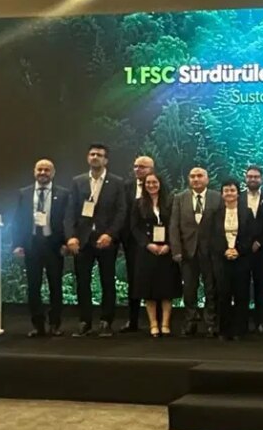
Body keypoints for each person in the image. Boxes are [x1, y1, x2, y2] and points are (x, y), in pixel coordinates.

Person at [64, 143, 127, 337]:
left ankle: (106, 322)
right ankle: (85, 321)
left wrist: (110, 234)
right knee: (82, 282)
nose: (95, 157)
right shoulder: (78, 181)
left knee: (107, 281)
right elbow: (70, 211)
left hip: (106, 239)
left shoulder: (117, 182)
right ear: (87, 158)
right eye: (92, 154)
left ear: (106, 160)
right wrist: (71, 237)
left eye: (99, 155)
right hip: (83, 240)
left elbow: (121, 211)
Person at [12, 159, 70, 337]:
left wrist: (66, 243)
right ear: (34, 171)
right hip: (32, 245)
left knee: (55, 286)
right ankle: (38, 325)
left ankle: (55, 324)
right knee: (33, 286)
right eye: (40, 169)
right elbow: (18, 220)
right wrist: (17, 244)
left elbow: (67, 220)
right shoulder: (24, 193)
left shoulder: (63, 194)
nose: (43, 173)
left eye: (47, 170)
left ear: (53, 173)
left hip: (54, 245)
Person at [171, 167, 223, 337]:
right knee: (189, 289)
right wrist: (176, 250)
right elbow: (174, 226)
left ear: (207, 179)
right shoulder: (179, 198)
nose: (196, 179)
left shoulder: (217, 197)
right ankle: (190, 321)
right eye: (192, 176)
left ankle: (211, 323)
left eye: (199, 176)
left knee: (211, 289)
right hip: (188, 252)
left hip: (210, 252)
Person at [129, 171, 181, 337]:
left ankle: (165, 324)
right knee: (148, 289)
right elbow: (134, 227)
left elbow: (175, 224)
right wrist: (147, 244)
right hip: (147, 251)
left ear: (160, 184)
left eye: (154, 182)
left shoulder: (171, 202)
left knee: (167, 289)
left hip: (167, 250)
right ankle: (153, 324)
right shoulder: (138, 203)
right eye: (148, 183)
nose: (151, 185)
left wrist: (169, 245)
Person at [211, 178, 258, 341]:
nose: (229, 193)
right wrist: (225, 250)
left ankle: (240, 330)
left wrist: (238, 250)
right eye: (226, 190)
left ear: (238, 193)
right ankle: (224, 330)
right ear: (222, 194)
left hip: (242, 259)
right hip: (222, 259)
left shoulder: (247, 212)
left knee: (241, 295)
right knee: (223, 295)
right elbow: (213, 237)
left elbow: (251, 235)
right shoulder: (215, 213)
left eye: (232, 190)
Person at [119, 155, 154, 334]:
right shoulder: (126, 187)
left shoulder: (156, 186)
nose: (137, 169)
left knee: (153, 278)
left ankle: (156, 321)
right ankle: (132, 320)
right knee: (133, 279)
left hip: (153, 240)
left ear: (151, 169)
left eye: (142, 167)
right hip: (131, 241)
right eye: (135, 166)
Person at [243, 164, 263, 333]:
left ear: (262, 179)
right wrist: (246, 244)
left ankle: (261, 321)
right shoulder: (238, 198)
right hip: (243, 250)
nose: (253, 179)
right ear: (245, 178)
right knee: (242, 286)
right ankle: (243, 321)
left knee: (261, 285)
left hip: (262, 249)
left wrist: (260, 241)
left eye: (256, 177)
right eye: (250, 176)